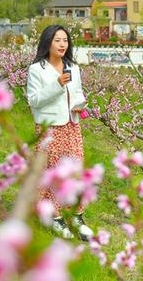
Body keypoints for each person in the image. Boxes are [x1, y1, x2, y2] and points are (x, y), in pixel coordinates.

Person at [27, 25, 93, 241]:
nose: (63, 44)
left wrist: (79, 104)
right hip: (50, 128)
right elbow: (34, 100)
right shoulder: (37, 69)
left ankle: (77, 216)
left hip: (72, 126)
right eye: (57, 40)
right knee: (53, 172)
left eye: (65, 40)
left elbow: (78, 92)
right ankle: (55, 217)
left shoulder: (72, 67)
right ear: (48, 42)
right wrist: (56, 85)